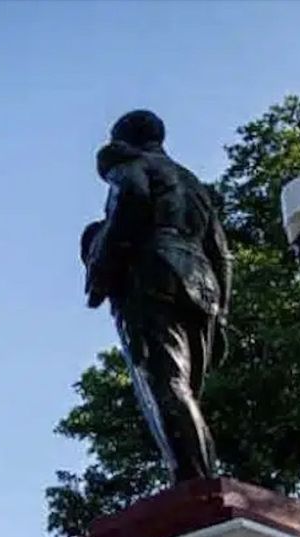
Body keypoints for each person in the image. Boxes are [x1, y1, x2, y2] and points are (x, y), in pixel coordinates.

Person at [83, 109, 232, 484]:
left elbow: (131, 197)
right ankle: (199, 474)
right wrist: (223, 313)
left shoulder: (130, 164)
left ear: (124, 139)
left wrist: (102, 264)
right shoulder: (194, 185)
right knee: (185, 390)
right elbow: (220, 252)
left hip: (152, 271)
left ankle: (194, 481)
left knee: (164, 380)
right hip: (202, 284)